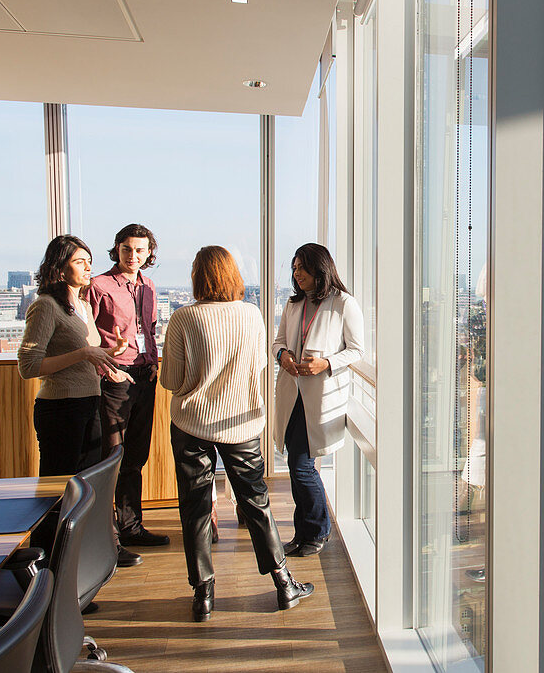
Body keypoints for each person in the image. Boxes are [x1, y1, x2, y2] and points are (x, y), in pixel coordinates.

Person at [160, 246, 314, 620]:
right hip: (241, 424)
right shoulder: (251, 315)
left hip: (190, 424)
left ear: (197, 277)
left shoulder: (183, 318)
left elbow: (170, 381)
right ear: (232, 276)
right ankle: (283, 583)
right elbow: (257, 367)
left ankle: (203, 594)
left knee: (195, 508)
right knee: (255, 502)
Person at [273, 243, 364, 556]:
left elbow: (357, 349)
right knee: (297, 463)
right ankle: (304, 532)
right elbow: (279, 342)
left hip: (321, 396)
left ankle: (317, 530)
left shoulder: (343, 303)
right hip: (292, 393)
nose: (297, 274)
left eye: (303, 268)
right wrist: (283, 356)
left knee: (301, 467)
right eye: (295, 268)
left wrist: (325, 363)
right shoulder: (293, 303)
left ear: (319, 268)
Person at [88, 224, 168, 568]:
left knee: (136, 454)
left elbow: (148, 332)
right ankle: (108, 539)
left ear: (149, 252)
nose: (133, 256)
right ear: (116, 250)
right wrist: (105, 369)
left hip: (146, 373)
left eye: (140, 250)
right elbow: (86, 335)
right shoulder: (99, 286)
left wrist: (153, 366)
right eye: (126, 249)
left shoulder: (149, 286)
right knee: (113, 455)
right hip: (116, 376)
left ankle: (131, 526)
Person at [18, 235, 128, 477]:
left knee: (87, 483)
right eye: (79, 262)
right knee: (60, 486)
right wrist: (84, 353)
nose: (88, 267)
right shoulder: (46, 306)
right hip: (60, 407)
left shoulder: (83, 306)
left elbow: (83, 356)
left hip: (89, 402)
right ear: (59, 267)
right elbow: (28, 366)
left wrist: (110, 354)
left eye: (89, 261)